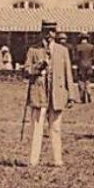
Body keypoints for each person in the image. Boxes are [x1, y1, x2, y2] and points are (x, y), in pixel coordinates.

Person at [22, 19, 75, 168]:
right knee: (37, 128)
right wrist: (37, 67)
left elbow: (68, 74)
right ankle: (33, 161)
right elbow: (25, 71)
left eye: (52, 31)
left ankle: (58, 160)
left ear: (55, 33)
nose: (49, 35)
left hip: (56, 95)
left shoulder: (62, 51)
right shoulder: (33, 50)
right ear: (41, 33)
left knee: (56, 128)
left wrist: (70, 95)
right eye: (46, 32)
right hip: (39, 94)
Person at [73, 36, 94, 103]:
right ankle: (89, 94)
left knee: (81, 81)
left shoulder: (78, 47)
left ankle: (82, 97)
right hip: (89, 66)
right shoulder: (91, 47)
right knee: (88, 80)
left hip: (81, 66)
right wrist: (93, 64)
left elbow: (76, 58)